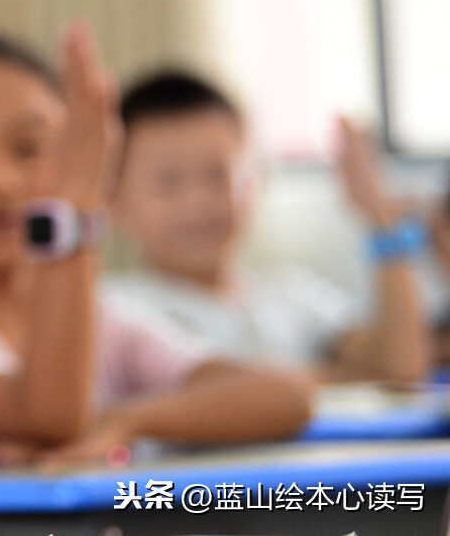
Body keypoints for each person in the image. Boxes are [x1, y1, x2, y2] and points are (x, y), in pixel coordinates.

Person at [0, 30, 311, 467]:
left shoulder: (103, 322)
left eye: (28, 148)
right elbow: (50, 415)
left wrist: (126, 419)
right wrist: (75, 207)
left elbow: (285, 397)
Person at [108, 69, 430, 383]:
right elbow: (221, 396)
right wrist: (341, 376)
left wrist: (380, 221)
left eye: (218, 174)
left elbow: (399, 367)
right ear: (115, 199)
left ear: (254, 180)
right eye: (167, 181)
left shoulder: (294, 296)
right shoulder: (117, 310)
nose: (197, 201)